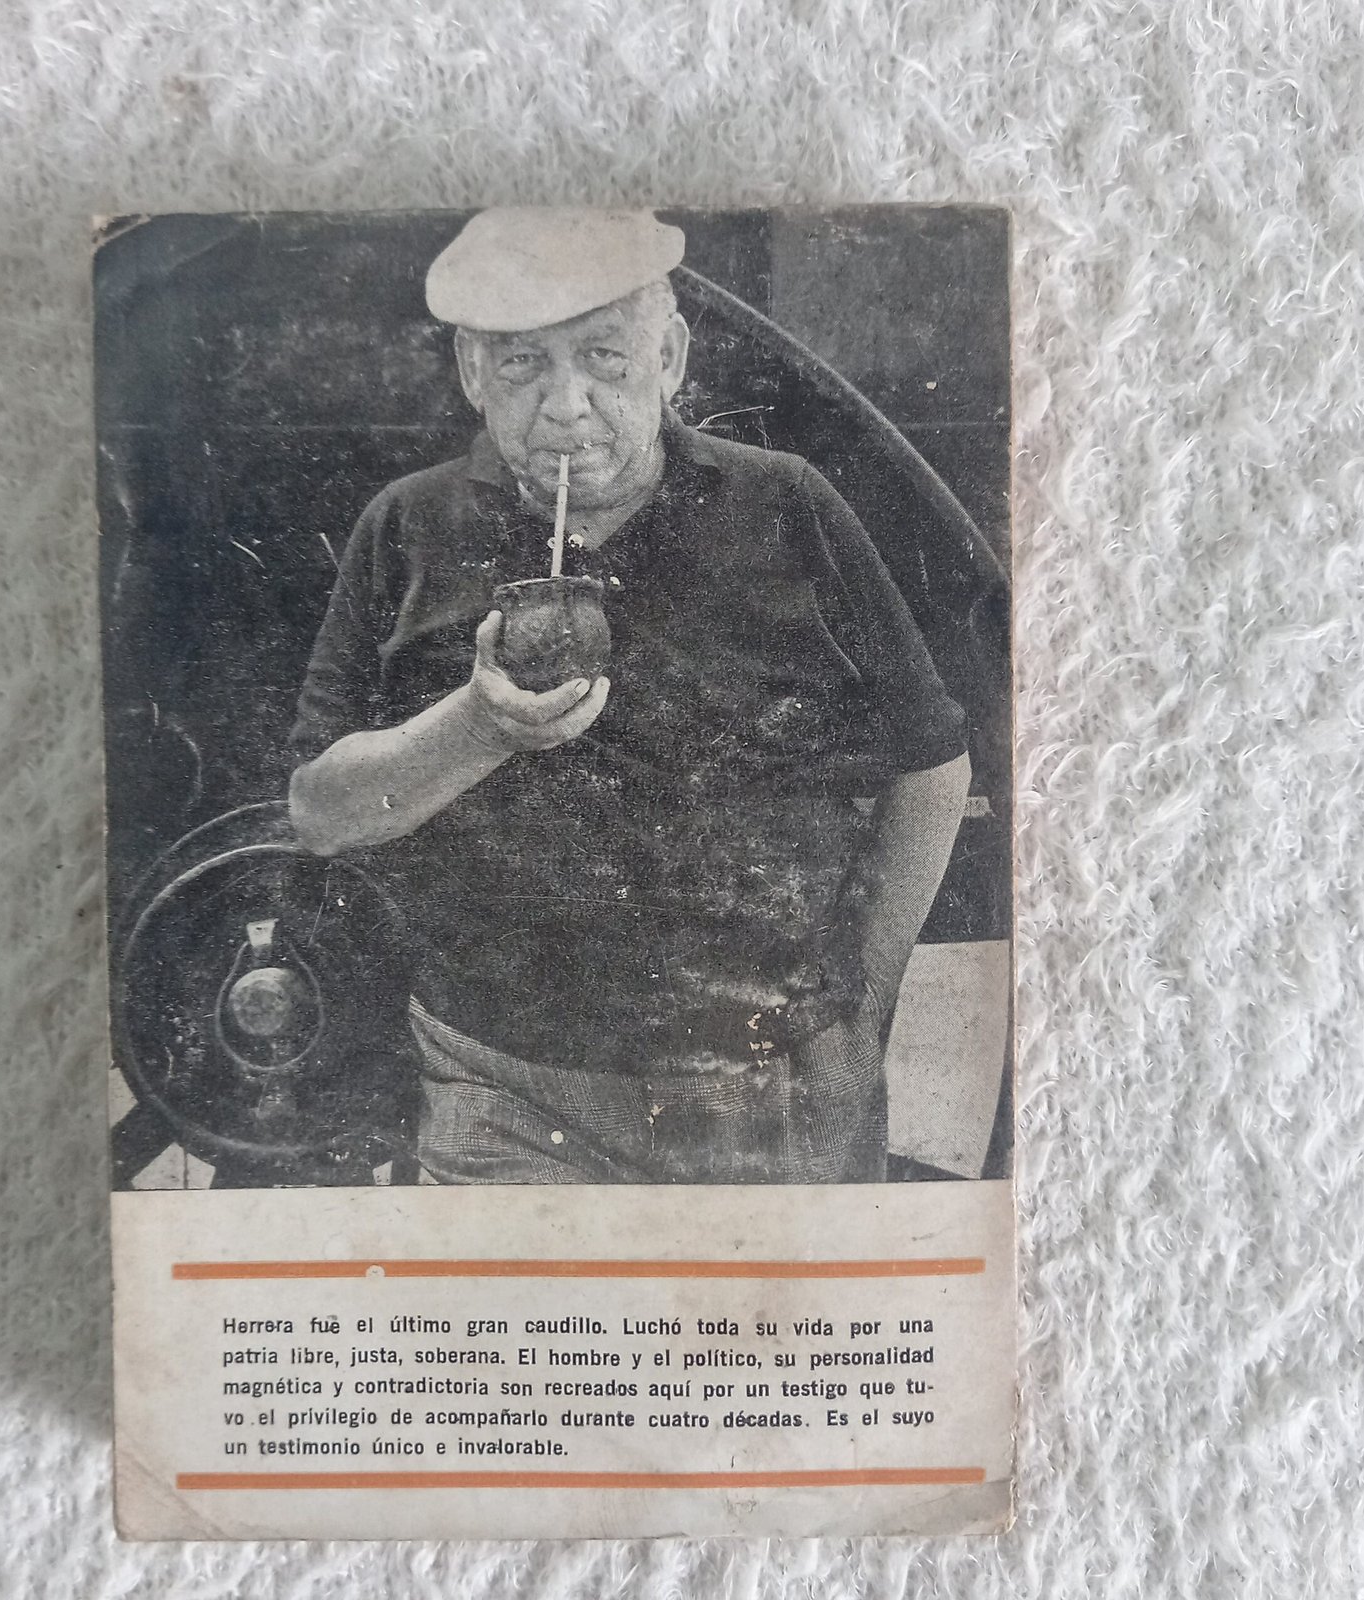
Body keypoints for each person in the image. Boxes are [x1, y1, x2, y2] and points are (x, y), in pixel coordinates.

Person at [287, 208, 971, 1185]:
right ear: (472, 372)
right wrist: (478, 726)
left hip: (762, 1088)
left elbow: (932, 767)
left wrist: (865, 1013)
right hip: (500, 1090)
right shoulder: (408, 527)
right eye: (522, 365)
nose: (566, 408)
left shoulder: (787, 505)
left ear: (670, 358)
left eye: (605, 357)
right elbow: (321, 813)